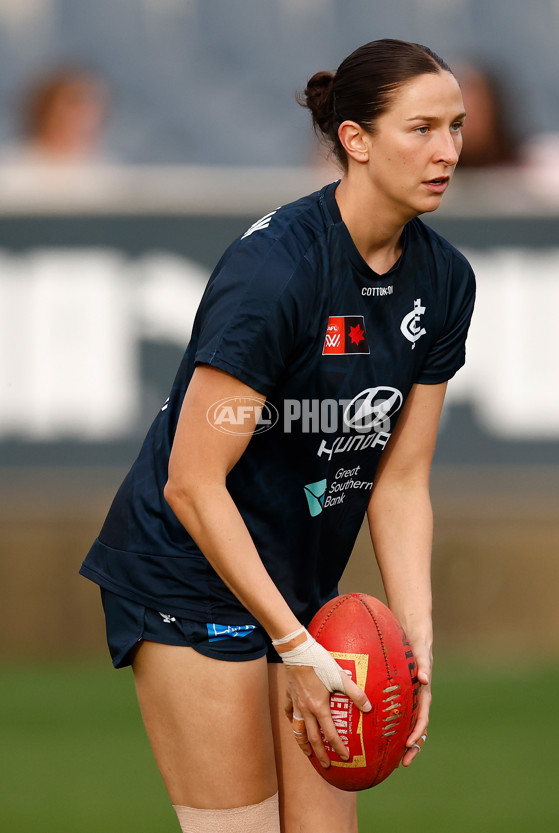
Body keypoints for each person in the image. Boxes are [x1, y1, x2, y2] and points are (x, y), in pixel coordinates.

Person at [80, 38, 475, 833]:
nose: (448, 152)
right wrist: (294, 644)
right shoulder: (276, 274)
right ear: (356, 141)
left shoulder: (444, 279)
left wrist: (416, 642)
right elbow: (192, 481)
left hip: (295, 579)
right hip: (187, 576)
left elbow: (399, 481)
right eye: (422, 128)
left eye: (457, 127)